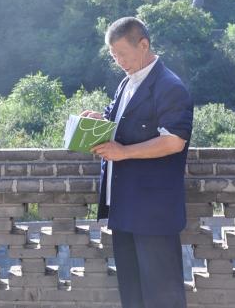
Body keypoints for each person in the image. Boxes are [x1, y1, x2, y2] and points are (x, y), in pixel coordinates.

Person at [81, 17, 193, 308]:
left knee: (163, 298)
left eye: (122, 54)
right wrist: (97, 121)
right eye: (113, 55)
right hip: (124, 209)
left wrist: (124, 153)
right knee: (132, 295)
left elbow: (173, 141)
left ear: (143, 45)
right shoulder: (125, 83)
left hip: (154, 213)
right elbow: (117, 124)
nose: (118, 61)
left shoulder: (170, 87)